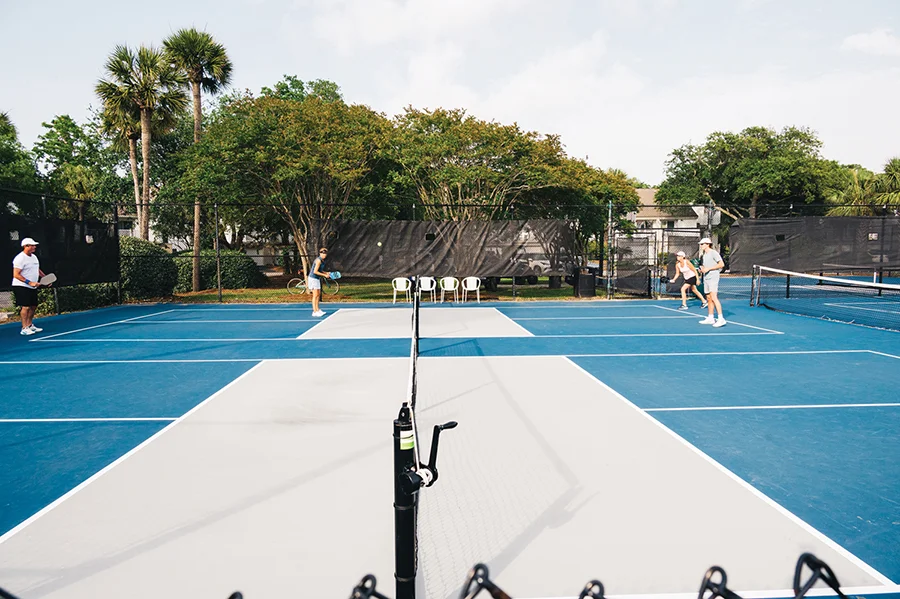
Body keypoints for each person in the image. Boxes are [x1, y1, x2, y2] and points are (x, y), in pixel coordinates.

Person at [11, 237, 46, 336]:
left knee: (33, 306)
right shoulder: (20, 258)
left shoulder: (34, 257)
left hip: (32, 287)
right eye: (32, 245)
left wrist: (45, 278)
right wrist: (29, 282)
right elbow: (16, 274)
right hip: (21, 286)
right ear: (26, 246)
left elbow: (37, 270)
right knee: (25, 307)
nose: (35, 247)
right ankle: (24, 327)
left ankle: (30, 325)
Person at [698, 238, 726, 327]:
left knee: (714, 297)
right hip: (706, 277)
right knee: (709, 298)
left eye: (702, 244)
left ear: (707, 244)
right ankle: (710, 318)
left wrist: (709, 269)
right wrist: (702, 269)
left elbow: (721, 264)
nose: (701, 246)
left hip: (713, 276)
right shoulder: (704, 255)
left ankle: (721, 319)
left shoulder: (714, 253)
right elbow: (705, 266)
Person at [308, 247, 332, 317]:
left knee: (318, 295)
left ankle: (318, 309)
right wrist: (324, 275)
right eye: (322, 253)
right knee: (315, 295)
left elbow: (320, 270)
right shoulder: (318, 261)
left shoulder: (322, 260)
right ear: (320, 253)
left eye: (325, 253)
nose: (324, 254)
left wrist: (326, 273)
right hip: (313, 278)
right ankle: (314, 311)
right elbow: (315, 271)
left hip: (316, 279)